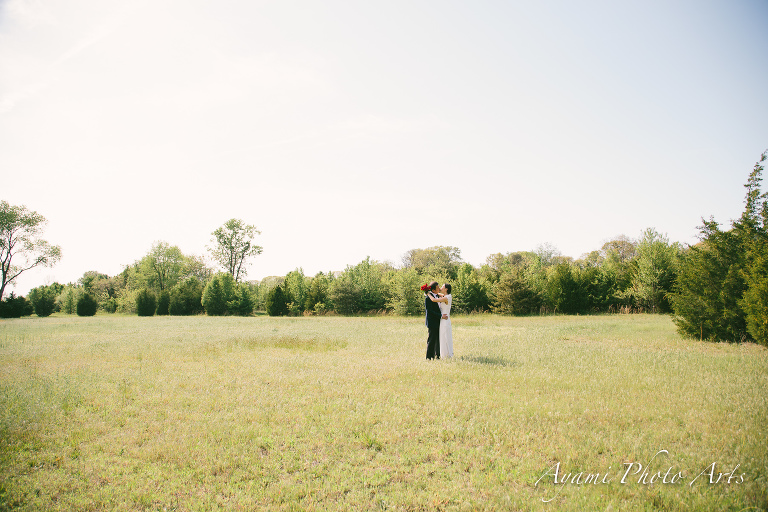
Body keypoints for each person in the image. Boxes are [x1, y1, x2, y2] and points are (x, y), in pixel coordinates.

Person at [426, 283, 453, 359]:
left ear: (446, 289)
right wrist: (430, 291)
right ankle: (437, 355)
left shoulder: (446, 297)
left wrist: (428, 294)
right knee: (440, 337)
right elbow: (437, 294)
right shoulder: (444, 296)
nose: (440, 288)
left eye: (442, 287)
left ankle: (445, 354)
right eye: (439, 287)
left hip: (444, 319)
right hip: (441, 320)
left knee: (444, 336)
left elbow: (434, 299)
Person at [422, 281, 442, 359]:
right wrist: (440, 316)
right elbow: (430, 311)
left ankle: (438, 355)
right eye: (437, 288)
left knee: (438, 339)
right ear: (433, 290)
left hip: (438, 321)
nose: (439, 288)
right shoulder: (428, 298)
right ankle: (429, 357)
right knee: (431, 339)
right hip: (432, 321)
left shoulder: (437, 296)